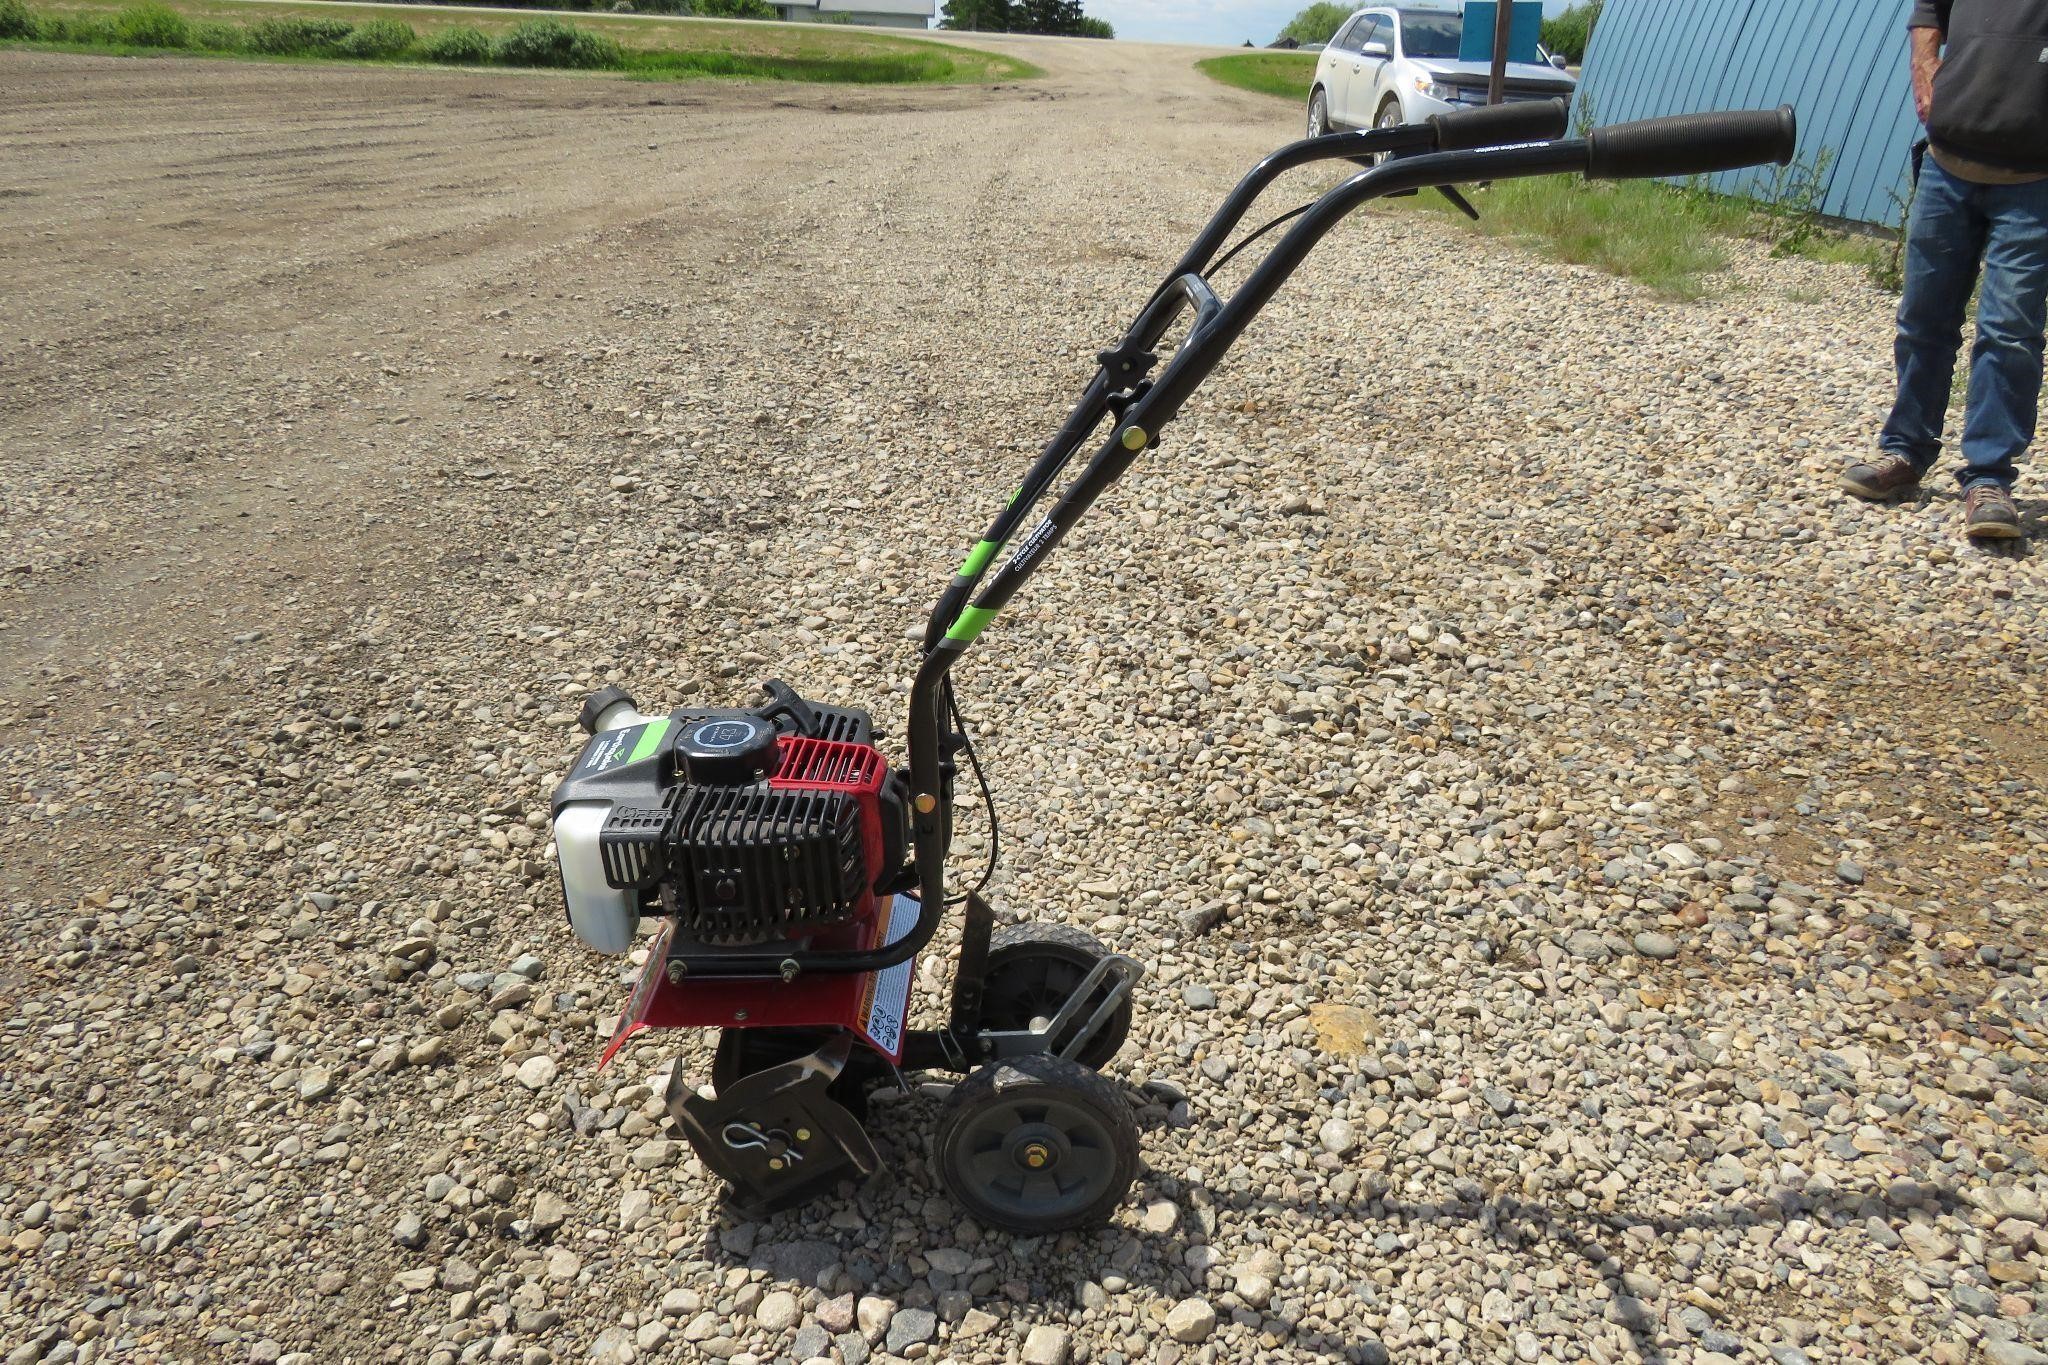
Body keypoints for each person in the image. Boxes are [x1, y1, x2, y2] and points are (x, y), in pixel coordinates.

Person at [1842, 0, 2048, 540]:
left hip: (2036, 179)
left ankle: (1988, 479)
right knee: (1923, 319)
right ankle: (1904, 452)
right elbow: (1930, 10)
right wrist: (1925, 70)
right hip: (1948, 164)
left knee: (2010, 331)